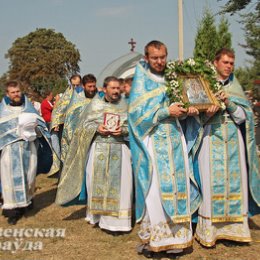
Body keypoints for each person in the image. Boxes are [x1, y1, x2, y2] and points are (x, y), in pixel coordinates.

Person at [128, 40, 201, 255]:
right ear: (147, 58)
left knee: (179, 187)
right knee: (155, 191)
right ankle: (154, 242)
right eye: (154, 58)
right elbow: (135, 117)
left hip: (175, 138)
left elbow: (182, 106)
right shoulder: (141, 81)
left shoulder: (173, 78)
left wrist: (190, 110)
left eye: (162, 57)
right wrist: (165, 112)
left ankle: (177, 242)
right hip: (153, 142)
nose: (159, 61)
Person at [194, 48, 260, 247]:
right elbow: (196, 119)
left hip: (233, 140)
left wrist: (228, 102)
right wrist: (208, 112)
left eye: (232, 63)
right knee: (209, 181)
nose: (229, 66)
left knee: (235, 181)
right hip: (210, 138)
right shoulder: (203, 85)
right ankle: (210, 232)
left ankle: (234, 230)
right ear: (215, 63)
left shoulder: (235, 87)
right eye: (225, 62)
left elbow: (244, 117)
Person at [56, 76, 133, 233]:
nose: (116, 91)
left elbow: (132, 127)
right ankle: (98, 217)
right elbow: (83, 126)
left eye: (118, 88)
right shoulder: (95, 105)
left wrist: (123, 130)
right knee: (97, 185)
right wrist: (97, 129)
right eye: (113, 88)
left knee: (123, 186)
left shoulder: (126, 106)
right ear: (105, 89)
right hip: (98, 148)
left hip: (120, 149)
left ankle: (118, 223)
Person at [0, 81, 52, 225]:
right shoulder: (2, 111)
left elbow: (41, 126)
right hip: (10, 151)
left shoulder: (29, 108)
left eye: (18, 91)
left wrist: (35, 130)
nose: (16, 94)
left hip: (29, 149)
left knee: (29, 177)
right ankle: (13, 212)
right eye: (13, 92)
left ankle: (27, 203)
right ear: (7, 94)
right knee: (10, 179)